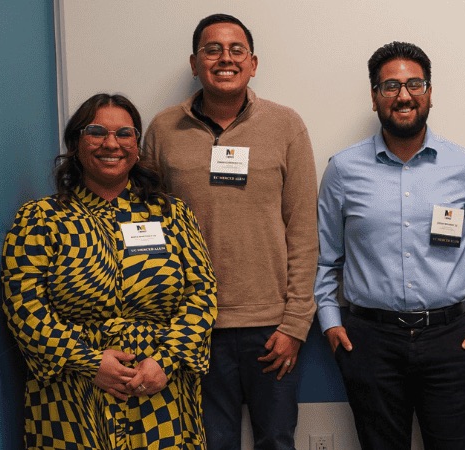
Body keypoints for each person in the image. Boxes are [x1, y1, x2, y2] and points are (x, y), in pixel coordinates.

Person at [1, 93, 217, 449]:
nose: (110, 143)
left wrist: (164, 361)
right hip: (71, 396)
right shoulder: (40, 218)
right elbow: (25, 308)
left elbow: (202, 295)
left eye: (124, 134)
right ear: (76, 143)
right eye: (97, 132)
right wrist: (89, 362)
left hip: (157, 389)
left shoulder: (171, 214)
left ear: (137, 145)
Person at [143, 13, 318, 450]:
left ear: (253, 63)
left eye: (236, 50)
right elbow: (145, 226)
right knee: (206, 443)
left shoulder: (286, 125)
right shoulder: (163, 129)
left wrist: (295, 324)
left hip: (271, 328)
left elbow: (303, 230)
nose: (225, 58)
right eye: (212, 49)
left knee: (276, 441)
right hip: (192, 326)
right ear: (194, 62)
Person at [314, 41, 465, 449]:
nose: (403, 95)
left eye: (414, 83)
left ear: (429, 92)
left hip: (452, 339)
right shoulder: (343, 170)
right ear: (375, 96)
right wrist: (330, 323)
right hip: (370, 342)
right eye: (390, 86)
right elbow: (326, 258)